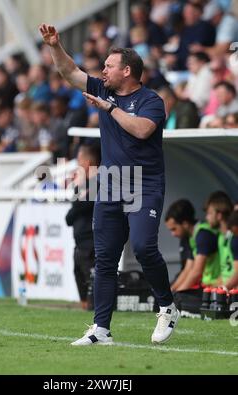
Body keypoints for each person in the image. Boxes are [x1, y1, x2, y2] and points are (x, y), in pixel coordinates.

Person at [40, 24, 180, 346]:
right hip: (112, 183)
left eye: (109, 66)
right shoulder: (103, 89)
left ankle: (167, 307)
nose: (102, 70)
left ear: (127, 71)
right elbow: (69, 72)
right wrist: (54, 45)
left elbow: (143, 130)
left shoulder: (151, 101)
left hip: (144, 183)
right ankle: (100, 329)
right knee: (104, 259)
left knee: (145, 248)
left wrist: (111, 109)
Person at [66, 144, 101, 310]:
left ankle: (94, 310)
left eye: (79, 160)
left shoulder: (98, 182)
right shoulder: (84, 184)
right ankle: (86, 307)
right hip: (80, 241)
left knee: (91, 279)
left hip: (91, 241)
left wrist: (70, 215)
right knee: (79, 276)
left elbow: (81, 206)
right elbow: (77, 204)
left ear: (87, 162)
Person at [205, 191, 238, 290]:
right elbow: (225, 273)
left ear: (219, 215)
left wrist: (223, 289)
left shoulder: (234, 237)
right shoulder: (220, 237)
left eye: (210, 213)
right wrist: (213, 286)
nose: (206, 217)